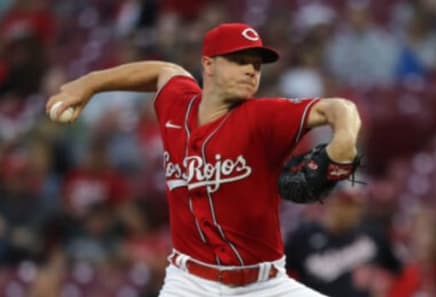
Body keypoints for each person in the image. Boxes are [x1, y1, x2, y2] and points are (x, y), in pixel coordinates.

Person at [46, 23, 361, 297]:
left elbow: (338, 108)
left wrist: (344, 142)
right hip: (189, 284)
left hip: (264, 285)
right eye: (239, 61)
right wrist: (89, 83)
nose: (251, 70)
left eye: (256, 65)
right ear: (208, 65)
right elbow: (162, 71)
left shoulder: (264, 117)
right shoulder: (177, 103)